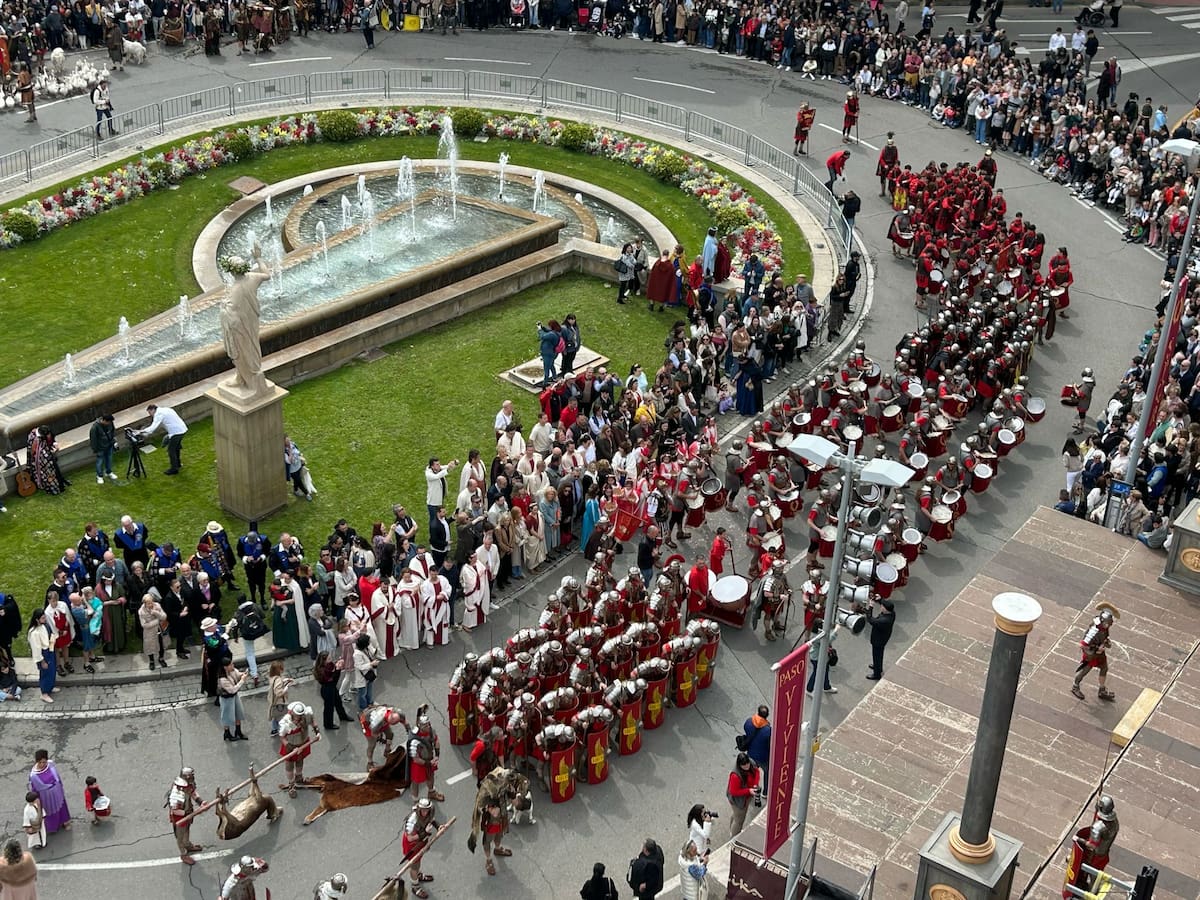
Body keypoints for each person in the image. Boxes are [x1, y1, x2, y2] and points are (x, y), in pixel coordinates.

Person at [1072, 607, 1117, 701]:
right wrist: (1096, 648)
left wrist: (1106, 642)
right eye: (1107, 623)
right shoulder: (1094, 630)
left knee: (1104, 668)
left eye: (1109, 624)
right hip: (1091, 655)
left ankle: (1102, 690)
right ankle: (1075, 687)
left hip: (1099, 653)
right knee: (1084, 671)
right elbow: (1083, 645)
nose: (1108, 625)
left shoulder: (1104, 628)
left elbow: (1104, 637)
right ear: (1103, 622)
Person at [137, 403, 188, 475]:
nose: (150, 415)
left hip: (176, 432)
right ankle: (178, 464)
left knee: (171, 450)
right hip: (183, 429)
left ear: (153, 410)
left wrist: (140, 431)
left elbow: (152, 428)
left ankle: (174, 469)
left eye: (149, 412)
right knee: (176, 447)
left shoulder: (158, 414)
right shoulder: (166, 409)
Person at [168, 767, 204, 865]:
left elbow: (192, 792)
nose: (193, 777)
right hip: (180, 817)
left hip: (187, 813)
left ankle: (188, 845)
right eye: (191, 775)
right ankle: (183, 854)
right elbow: (175, 810)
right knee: (180, 836)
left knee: (187, 831)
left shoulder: (188, 785)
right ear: (186, 777)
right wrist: (188, 814)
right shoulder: (177, 791)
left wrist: (200, 802)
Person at [28, 751, 70, 835]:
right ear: (37, 761)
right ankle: (53, 827)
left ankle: (64, 822)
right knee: (50, 811)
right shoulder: (34, 775)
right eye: (40, 762)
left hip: (57, 791)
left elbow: (57, 776)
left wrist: (60, 786)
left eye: (44, 762)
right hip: (46, 797)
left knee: (61, 806)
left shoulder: (50, 764)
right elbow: (34, 789)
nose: (42, 764)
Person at [726, 752, 762, 836]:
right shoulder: (735, 776)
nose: (747, 767)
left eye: (747, 764)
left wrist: (755, 784)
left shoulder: (751, 763)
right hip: (738, 800)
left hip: (747, 795)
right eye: (744, 765)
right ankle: (734, 837)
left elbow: (756, 771)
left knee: (736, 815)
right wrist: (749, 791)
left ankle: (731, 830)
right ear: (739, 765)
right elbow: (733, 791)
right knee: (739, 821)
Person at [218, 656, 250, 742]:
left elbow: (237, 674)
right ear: (225, 667)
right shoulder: (223, 679)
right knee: (227, 716)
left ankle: (238, 731)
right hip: (226, 699)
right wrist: (242, 681)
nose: (233, 665)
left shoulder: (232, 670)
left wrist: (243, 674)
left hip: (234, 696)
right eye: (231, 664)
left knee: (238, 712)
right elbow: (232, 690)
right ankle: (227, 733)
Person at [28, 610, 56, 703]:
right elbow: (36, 649)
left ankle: (50, 687)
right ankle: (44, 693)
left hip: (49, 649)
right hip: (43, 654)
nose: (45, 619)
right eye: (43, 618)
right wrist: (42, 660)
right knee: (45, 673)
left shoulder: (44, 625)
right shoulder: (34, 633)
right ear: (37, 619)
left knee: (51, 671)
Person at [866, 599, 896, 680]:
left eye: (882, 606)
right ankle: (878, 667)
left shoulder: (883, 621)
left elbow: (870, 619)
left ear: (885, 609)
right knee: (879, 654)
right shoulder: (892, 613)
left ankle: (877, 674)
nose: (881, 607)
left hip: (878, 640)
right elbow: (886, 604)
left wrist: (870, 607)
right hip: (883, 638)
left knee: (877, 656)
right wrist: (880, 599)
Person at [139, 592, 168, 670]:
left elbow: (164, 616)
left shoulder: (157, 605)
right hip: (149, 632)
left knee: (161, 645)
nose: (151, 604)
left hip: (159, 630)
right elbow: (144, 625)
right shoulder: (141, 611)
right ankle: (151, 661)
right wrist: (157, 621)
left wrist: (156, 612)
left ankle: (161, 658)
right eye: (148, 603)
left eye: (151, 602)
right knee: (150, 647)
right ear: (144, 603)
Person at [741, 705, 771, 776]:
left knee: (751, 772)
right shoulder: (768, 731)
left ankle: (752, 785)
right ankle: (767, 787)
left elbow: (746, 730)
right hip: (763, 758)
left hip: (750, 754)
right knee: (767, 772)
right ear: (767, 715)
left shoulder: (749, 722)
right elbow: (770, 745)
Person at [89, 414, 118, 484]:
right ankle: (99, 476)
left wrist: (114, 441)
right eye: (108, 422)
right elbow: (93, 440)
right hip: (100, 448)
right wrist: (95, 449)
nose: (109, 424)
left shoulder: (110, 423)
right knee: (100, 462)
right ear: (104, 420)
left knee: (109, 459)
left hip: (109, 445)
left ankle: (109, 472)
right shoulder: (95, 428)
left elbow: (113, 432)